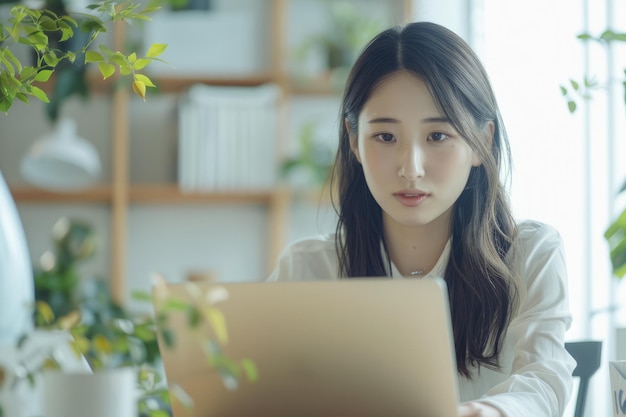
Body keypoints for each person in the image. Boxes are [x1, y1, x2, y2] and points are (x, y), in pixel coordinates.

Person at [268, 21, 576, 417]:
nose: (410, 169)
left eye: (437, 136)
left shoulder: (530, 256)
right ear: (353, 141)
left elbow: (543, 385)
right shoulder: (308, 270)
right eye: (385, 137)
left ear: (481, 141)